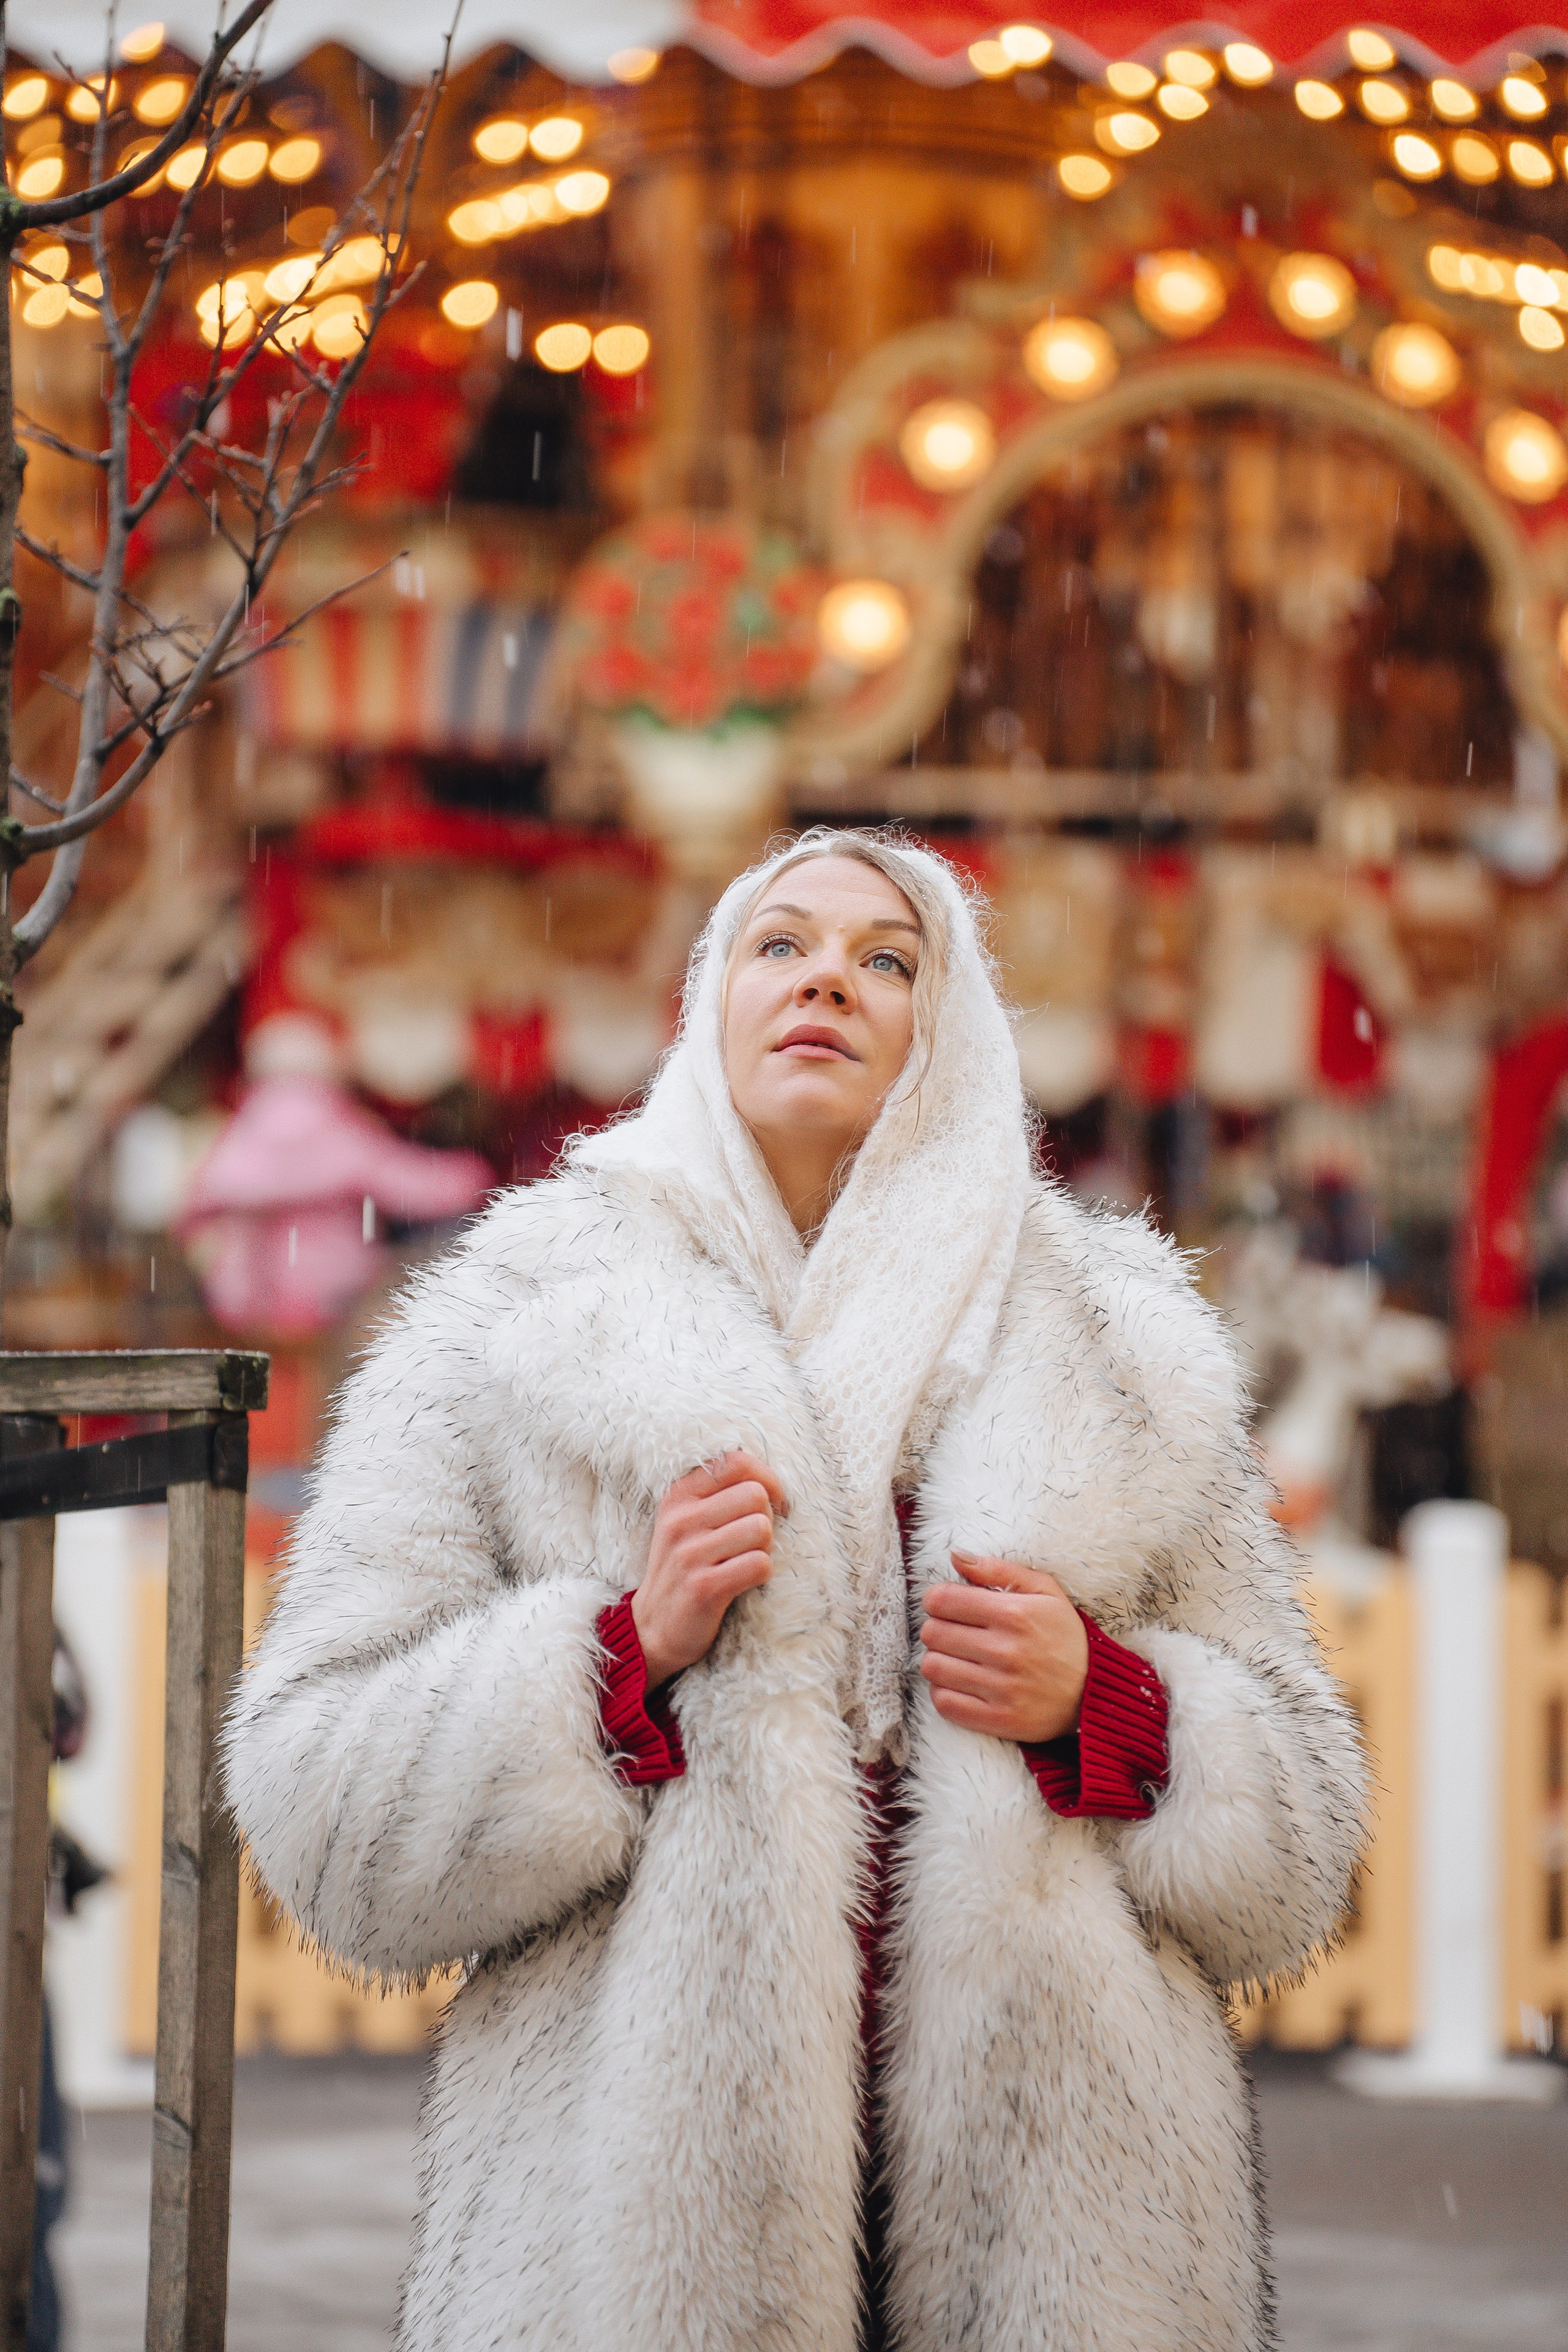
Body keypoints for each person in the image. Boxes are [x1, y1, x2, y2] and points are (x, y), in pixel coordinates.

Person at [224, 829, 1365, 2352]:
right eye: (781, 944)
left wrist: (1113, 1706)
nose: (827, 974)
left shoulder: (1118, 1343)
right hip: (615, 2237)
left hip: (1071, 2237)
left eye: (886, 960)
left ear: (940, 1030)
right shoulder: (509, 1320)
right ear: (710, 998)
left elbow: (1301, 1840)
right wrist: (615, 1664)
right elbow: (320, 1810)